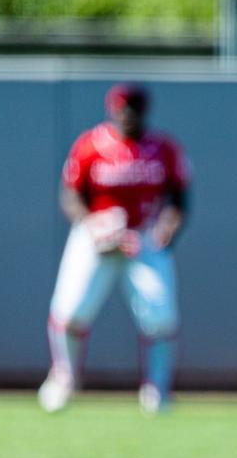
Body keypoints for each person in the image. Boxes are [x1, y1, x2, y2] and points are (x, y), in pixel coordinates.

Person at [38, 82, 191, 415]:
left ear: (143, 112)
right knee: (71, 309)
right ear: (112, 109)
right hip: (96, 238)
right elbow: (71, 194)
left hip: (144, 238)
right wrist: (93, 225)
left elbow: (179, 199)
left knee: (160, 316)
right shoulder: (91, 145)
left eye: (133, 109)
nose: (127, 115)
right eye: (122, 108)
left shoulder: (163, 148)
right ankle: (64, 376)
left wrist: (167, 230)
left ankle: (157, 389)